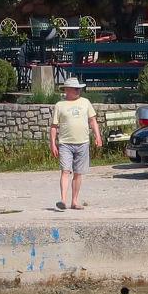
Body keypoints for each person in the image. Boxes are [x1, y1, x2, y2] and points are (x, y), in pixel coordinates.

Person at [50, 74, 103, 211]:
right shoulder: (60, 105)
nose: (78, 91)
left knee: (78, 173)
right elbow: (54, 126)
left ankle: (74, 201)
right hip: (65, 143)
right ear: (67, 90)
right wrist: (53, 143)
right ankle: (62, 199)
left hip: (83, 142)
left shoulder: (85, 102)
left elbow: (92, 121)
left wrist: (98, 136)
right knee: (65, 171)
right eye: (75, 89)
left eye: (79, 89)